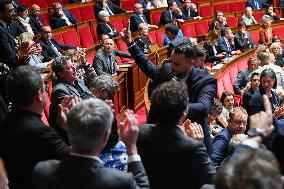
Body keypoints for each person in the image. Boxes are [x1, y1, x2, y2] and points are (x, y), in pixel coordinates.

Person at [122, 25, 216, 153]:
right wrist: (130, 43)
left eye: (177, 64)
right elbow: (148, 67)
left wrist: (174, 107)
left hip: (193, 131)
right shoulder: (168, 68)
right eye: (172, 61)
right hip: (161, 129)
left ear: (191, 63)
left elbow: (204, 106)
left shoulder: (205, 80)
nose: (172, 66)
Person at [32, 99, 150, 189]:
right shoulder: (120, 180)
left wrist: (70, 128)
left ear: (69, 130)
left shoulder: (42, 171)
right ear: (105, 137)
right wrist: (131, 148)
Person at [0, 66, 69, 189]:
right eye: (44, 89)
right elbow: (77, 165)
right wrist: (70, 128)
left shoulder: (7, 122)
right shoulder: (39, 132)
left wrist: (60, 127)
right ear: (39, 95)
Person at [137, 81, 215, 189]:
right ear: (184, 111)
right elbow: (212, 181)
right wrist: (198, 143)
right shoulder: (194, 147)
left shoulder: (140, 133)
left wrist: (182, 136)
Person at [49, 56, 92, 144]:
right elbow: (72, 117)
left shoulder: (77, 81)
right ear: (61, 74)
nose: (74, 69)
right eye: (69, 68)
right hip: (71, 137)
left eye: (73, 65)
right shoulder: (60, 90)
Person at [89, 75, 128, 171]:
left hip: (104, 146)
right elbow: (106, 138)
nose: (111, 100)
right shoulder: (91, 105)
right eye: (110, 96)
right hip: (99, 152)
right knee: (132, 160)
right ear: (102, 92)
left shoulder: (91, 100)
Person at [0, 0, 17, 68]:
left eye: (13, 10)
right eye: (10, 11)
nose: (14, 13)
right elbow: (11, 58)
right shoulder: (1, 31)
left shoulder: (10, 23)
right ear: (1, 13)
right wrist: (22, 51)